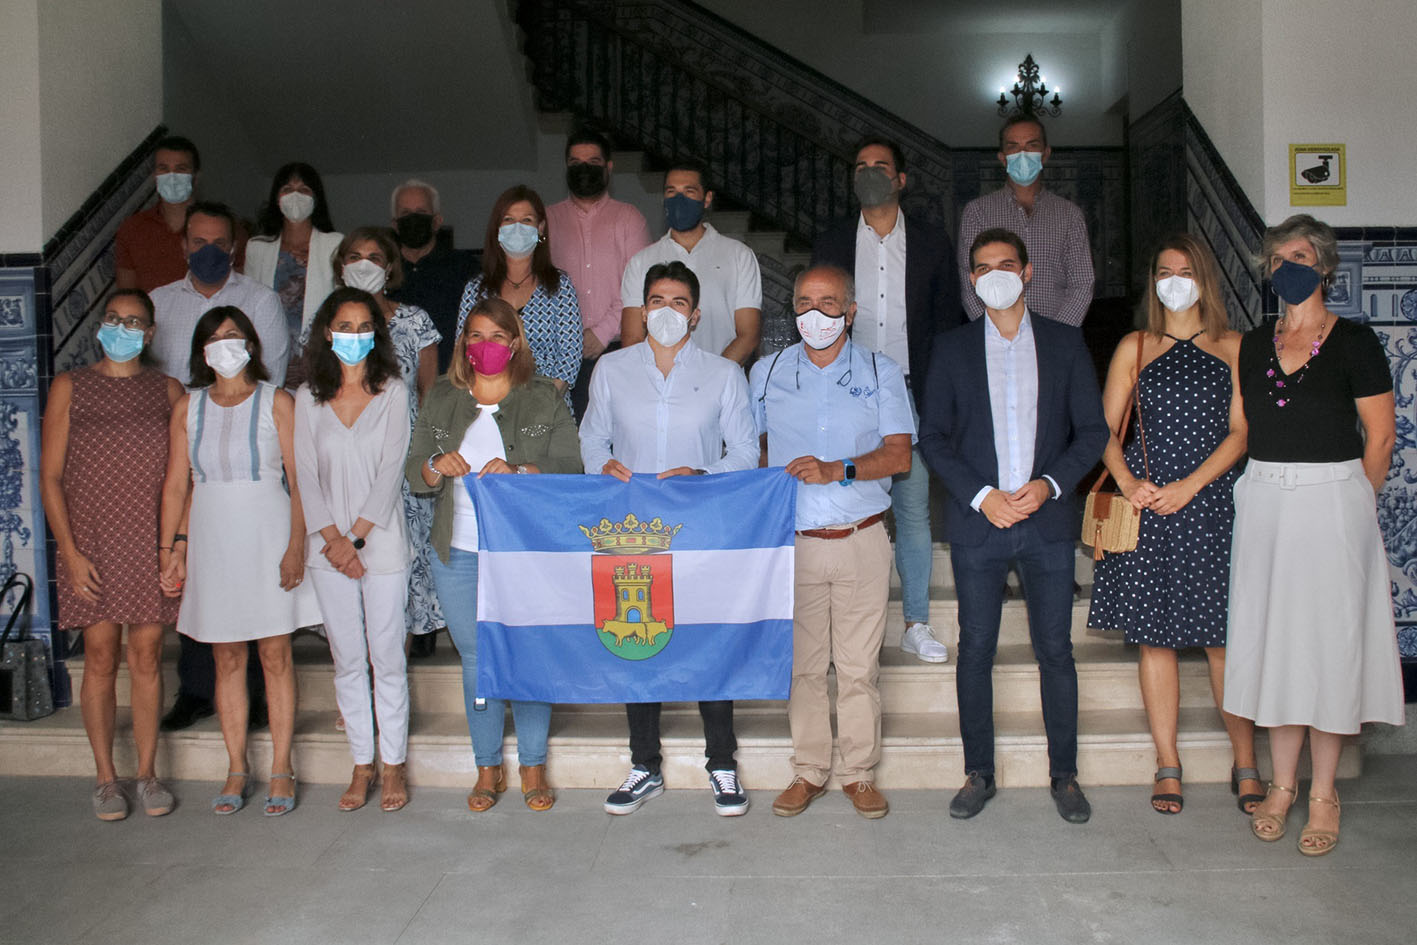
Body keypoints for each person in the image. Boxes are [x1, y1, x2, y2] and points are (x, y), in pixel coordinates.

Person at [1226, 214, 1403, 857]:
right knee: (1278, 641)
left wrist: (1355, 505)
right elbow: (1241, 430)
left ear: (1324, 265)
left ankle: (1323, 792)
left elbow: (1379, 438)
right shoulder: (1251, 344)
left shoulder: (1355, 341)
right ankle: (1281, 786)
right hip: (1267, 497)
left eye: (1298, 255)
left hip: (1335, 500)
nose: (1286, 267)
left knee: (1329, 646)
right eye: (1276, 259)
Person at [919, 228, 1108, 824]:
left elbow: (1093, 433)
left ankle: (1065, 777)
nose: (995, 274)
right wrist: (981, 497)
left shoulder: (1064, 342)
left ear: (1027, 273)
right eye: (982, 266)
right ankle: (978, 773)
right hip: (981, 525)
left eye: (1006, 264)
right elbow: (934, 439)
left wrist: (1049, 485)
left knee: (1055, 650)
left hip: (1046, 521)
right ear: (971, 280)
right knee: (975, 650)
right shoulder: (951, 348)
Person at [1086, 234, 1258, 815]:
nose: (1174, 279)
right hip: (1147, 506)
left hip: (1212, 505)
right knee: (1155, 640)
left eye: (1185, 270)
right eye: (1164, 270)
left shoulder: (1236, 346)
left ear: (1204, 278)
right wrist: (1130, 483)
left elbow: (1241, 432)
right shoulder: (1134, 346)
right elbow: (1103, 430)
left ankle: (1246, 761)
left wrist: (1190, 486)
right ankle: (1168, 764)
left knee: (1221, 640)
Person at [581, 261, 758, 816]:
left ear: (696, 314)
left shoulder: (725, 374)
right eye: (656, 299)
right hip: (633, 534)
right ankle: (643, 765)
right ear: (641, 308)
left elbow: (747, 453)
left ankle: (723, 765)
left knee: (710, 643)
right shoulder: (611, 370)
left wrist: (702, 475)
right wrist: (604, 466)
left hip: (703, 529)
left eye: (678, 302)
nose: (665, 311)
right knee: (638, 640)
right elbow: (592, 439)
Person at [406, 296, 582, 813]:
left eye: (498, 337)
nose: (486, 346)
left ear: (516, 343)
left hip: (521, 554)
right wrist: (436, 464)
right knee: (477, 659)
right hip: (456, 550)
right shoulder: (440, 396)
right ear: (463, 343)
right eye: (476, 336)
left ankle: (532, 765)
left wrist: (522, 471)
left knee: (525, 651)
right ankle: (487, 768)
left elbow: (571, 467)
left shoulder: (543, 397)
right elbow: (415, 469)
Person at [749, 264, 913, 820]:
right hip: (792, 543)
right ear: (790, 309)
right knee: (805, 667)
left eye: (828, 303)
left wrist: (838, 468)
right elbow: (754, 452)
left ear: (851, 311)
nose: (814, 315)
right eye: (803, 303)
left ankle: (860, 773)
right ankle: (810, 770)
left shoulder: (881, 371)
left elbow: (899, 454)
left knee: (859, 667)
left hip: (861, 539)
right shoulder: (766, 373)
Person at [158, 306, 320, 816]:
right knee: (226, 655)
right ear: (202, 350)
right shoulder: (189, 406)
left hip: (268, 533)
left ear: (251, 344)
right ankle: (235, 766)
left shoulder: (278, 402)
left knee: (274, 654)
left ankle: (281, 767)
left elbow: (301, 482)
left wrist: (297, 545)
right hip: (213, 538)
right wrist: (172, 548)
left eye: (234, 336)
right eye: (215, 338)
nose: (225, 345)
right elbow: (177, 484)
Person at [813, 134, 963, 664]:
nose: (870, 173)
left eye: (881, 166)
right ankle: (853, 634)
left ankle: (916, 622)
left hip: (910, 393)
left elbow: (947, 325)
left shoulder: (930, 242)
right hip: (849, 395)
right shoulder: (831, 242)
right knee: (848, 509)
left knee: (913, 508)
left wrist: (944, 397)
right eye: (861, 166)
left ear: (901, 180)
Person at [39, 289, 185, 820]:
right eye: (112, 319)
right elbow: (51, 477)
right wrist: (71, 554)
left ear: (149, 333)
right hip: (91, 544)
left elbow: (182, 477)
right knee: (100, 656)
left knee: (146, 656)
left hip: (150, 541)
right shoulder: (70, 386)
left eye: (133, 322)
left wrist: (175, 548)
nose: (121, 328)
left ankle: (148, 774)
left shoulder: (167, 390)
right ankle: (106, 778)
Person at [148, 201, 288, 732]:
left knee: (252, 582)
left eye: (219, 242)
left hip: (251, 439)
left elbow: (266, 368)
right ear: (184, 244)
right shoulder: (160, 302)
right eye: (198, 241)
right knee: (203, 580)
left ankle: (255, 693)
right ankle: (196, 689)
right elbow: (160, 375)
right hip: (190, 438)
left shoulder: (260, 300)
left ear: (236, 246)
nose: (208, 251)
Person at [295, 288, 413, 813]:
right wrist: (333, 542)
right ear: (326, 331)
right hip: (328, 551)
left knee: (386, 656)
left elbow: (390, 473)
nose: (354, 336)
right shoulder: (307, 397)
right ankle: (361, 763)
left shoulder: (393, 391)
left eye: (365, 326)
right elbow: (304, 475)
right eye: (344, 326)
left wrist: (356, 538)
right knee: (347, 659)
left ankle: (393, 765)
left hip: (381, 543)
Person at [331, 227, 444, 653]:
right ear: (340, 267)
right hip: (349, 451)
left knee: (410, 542)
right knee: (359, 537)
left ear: (390, 267)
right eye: (354, 256)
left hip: (407, 447)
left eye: (375, 257)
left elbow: (430, 393)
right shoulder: (327, 325)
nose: (364, 264)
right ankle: (358, 642)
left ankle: (417, 631)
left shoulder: (415, 321)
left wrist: (426, 455)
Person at [545, 128, 652, 420]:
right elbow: (540, 285)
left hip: (619, 349)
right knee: (568, 445)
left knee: (618, 444)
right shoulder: (546, 220)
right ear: (566, 167)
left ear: (609, 168)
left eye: (593, 162)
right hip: (558, 355)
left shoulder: (630, 218)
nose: (584, 169)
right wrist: (572, 340)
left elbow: (640, 289)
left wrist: (602, 332)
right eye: (575, 163)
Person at [620, 160, 761, 365]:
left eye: (689, 191)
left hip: (721, 385)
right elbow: (632, 337)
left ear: (707, 198)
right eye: (671, 192)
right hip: (660, 386)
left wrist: (713, 378)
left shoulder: (739, 255)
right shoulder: (641, 262)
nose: (679, 199)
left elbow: (749, 335)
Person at [957, 116, 1093, 326]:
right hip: (996, 337)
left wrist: (1057, 333)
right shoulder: (978, 212)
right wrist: (992, 331)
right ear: (1003, 158)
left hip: (1056, 336)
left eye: (1031, 146)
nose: (1023, 154)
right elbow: (969, 280)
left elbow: (1082, 283)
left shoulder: (1069, 214)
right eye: (1014, 147)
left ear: (1045, 154)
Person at [454, 185, 582, 403]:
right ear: (497, 228)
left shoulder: (559, 285)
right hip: (487, 406)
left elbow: (570, 358)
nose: (517, 228)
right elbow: (463, 349)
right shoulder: (477, 290)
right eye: (509, 220)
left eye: (526, 221)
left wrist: (538, 409)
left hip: (546, 409)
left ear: (540, 228)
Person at [242, 162, 343, 381]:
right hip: (268, 360)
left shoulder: (334, 244)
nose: (295, 195)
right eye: (287, 189)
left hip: (319, 359)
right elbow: (249, 306)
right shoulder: (257, 247)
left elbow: (340, 306)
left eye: (304, 190)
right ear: (276, 197)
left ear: (316, 198)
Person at [115, 136, 240, 292]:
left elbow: (241, 287)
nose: (172, 177)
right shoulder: (132, 228)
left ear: (196, 176)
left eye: (181, 169)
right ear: (154, 176)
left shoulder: (226, 227)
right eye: (164, 169)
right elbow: (127, 295)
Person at [386, 179, 478, 373]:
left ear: (437, 221)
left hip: (452, 384)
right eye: (406, 214)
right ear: (395, 224)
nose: (413, 219)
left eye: (421, 213)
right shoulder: (382, 273)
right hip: (394, 387)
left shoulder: (465, 268)